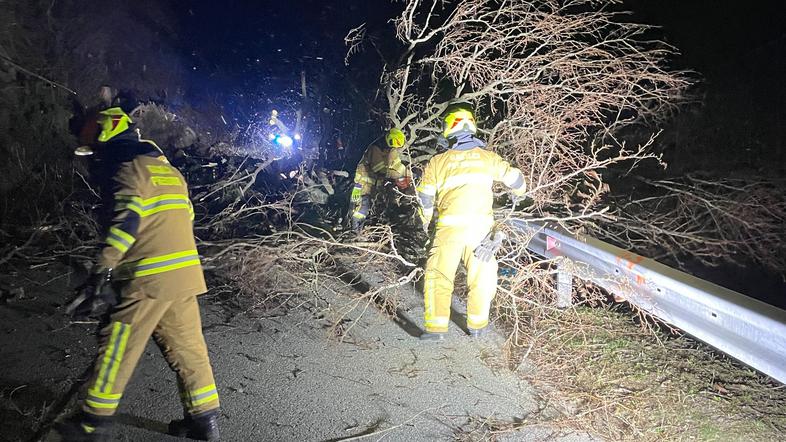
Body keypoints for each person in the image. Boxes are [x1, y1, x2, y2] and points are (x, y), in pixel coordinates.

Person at [63, 105, 220, 440]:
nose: (95, 159)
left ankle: (92, 424)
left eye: (95, 149)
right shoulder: (170, 172)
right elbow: (186, 218)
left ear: (109, 136)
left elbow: (126, 223)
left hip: (148, 279)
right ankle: (204, 422)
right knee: (188, 348)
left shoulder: (129, 171)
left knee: (118, 345)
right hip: (184, 274)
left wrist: (103, 271)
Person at [416, 103, 527, 341]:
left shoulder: (438, 161)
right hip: (480, 233)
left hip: (448, 231)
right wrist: (520, 193)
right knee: (482, 278)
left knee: (439, 276)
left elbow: (425, 196)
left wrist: (425, 221)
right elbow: (516, 179)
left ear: (449, 128)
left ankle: (436, 329)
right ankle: (477, 326)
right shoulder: (488, 158)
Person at [350, 128, 412, 231]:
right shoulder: (375, 148)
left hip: (373, 186)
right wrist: (396, 176)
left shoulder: (391, 150)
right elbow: (379, 169)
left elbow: (397, 165)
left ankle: (361, 231)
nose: (394, 147)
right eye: (393, 143)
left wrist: (410, 174)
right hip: (361, 185)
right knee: (360, 208)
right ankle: (354, 231)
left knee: (370, 209)